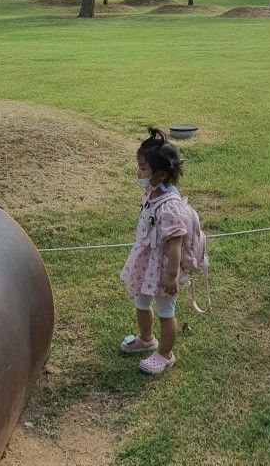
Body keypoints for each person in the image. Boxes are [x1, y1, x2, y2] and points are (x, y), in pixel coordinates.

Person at [119, 128, 188, 375]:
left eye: (143, 168)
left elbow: (176, 243)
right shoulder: (150, 194)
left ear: (159, 174)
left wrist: (170, 276)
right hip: (146, 265)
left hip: (162, 269)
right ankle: (146, 339)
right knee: (141, 302)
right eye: (138, 166)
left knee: (165, 312)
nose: (138, 172)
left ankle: (166, 354)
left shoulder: (170, 206)